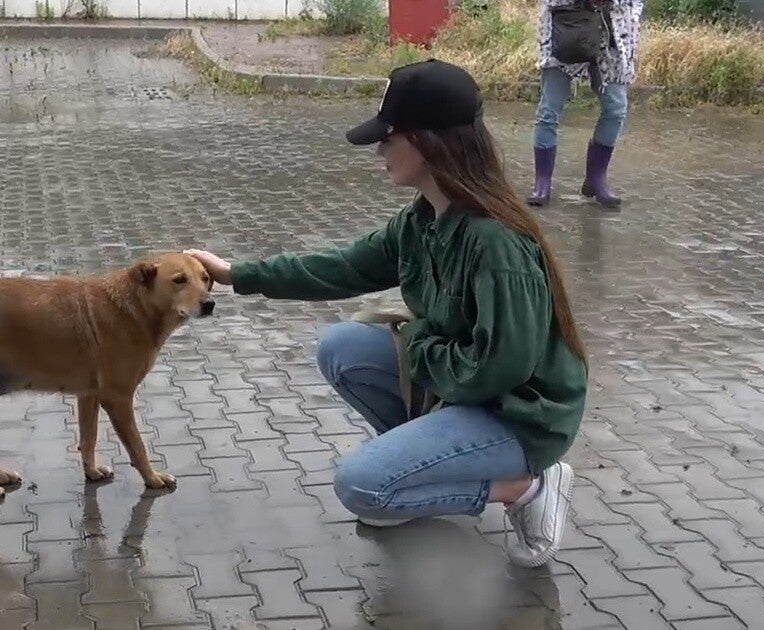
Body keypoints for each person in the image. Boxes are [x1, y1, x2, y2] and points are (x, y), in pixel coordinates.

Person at [186, 59, 588, 567]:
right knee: (343, 347)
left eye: (387, 137)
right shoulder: (424, 219)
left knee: (362, 487)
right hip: (467, 390)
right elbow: (345, 267)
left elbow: (499, 367)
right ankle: (418, 469)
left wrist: (421, 347)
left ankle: (529, 487)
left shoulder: (495, 243)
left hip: (520, 417)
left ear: (425, 141)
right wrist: (237, 274)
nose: (379, 150)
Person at [527, 0, 644, 208]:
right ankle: (542, 182)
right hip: (567, 29)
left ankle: (596, 179)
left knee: (616, 109)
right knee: (549, 109)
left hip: (614, 34)